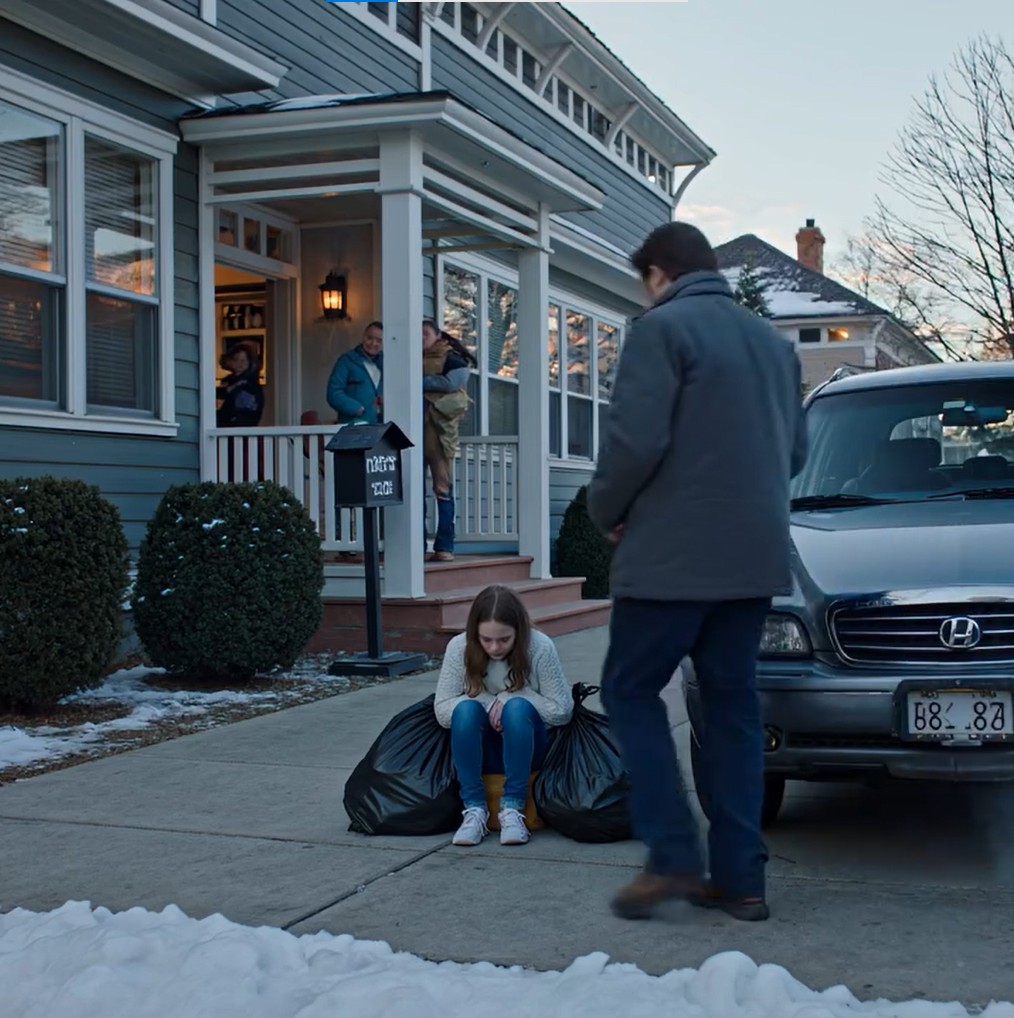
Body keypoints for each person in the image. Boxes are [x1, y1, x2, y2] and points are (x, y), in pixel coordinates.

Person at [587, 222, 807, 923]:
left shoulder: (661, 329)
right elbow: (794, 452)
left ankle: (674, 857)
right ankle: (742, 880)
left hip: (671, 562)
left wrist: (606, 509)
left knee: (629, 690)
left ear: (658, 273)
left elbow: (634, 442)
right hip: (752, 561)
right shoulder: (774, 347)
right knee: (733, 708)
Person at [433, 584, 573, 847]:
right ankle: (474, 810)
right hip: (478, 748)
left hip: (529, 746)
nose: (495, 647)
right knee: (465, 709)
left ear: (519, 632)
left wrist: (511, 697)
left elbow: (562, 710)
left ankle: (512, 809)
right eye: (486, 640)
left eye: (504, 639)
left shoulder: (540, 646)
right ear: (475, 633)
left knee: (517, 709)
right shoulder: (458, 647)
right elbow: (442, 710)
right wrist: (489, 702)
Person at [422, 321, 476, 561]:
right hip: (414, 432)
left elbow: (452, 383)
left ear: (438, 335)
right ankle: (416, 545)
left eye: (425, 334)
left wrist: (420, 381)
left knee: (442, 488)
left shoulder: (451, 358)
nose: (421, 338)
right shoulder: (409, 356)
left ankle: (444, 546)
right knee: (413, 489)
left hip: (439, 434)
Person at [326, 321, 384, 425]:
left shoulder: (385, 364)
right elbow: (333, 393)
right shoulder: (347, 360)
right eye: (369, 338)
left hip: (378, 426)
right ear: (363, 337)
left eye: (379, 340)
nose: (373, 343)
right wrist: (356, 408)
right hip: (352, 425)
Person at [216, 342, 264, 428]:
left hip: (239, 433)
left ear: (250, 362)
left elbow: (245, 416)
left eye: (243, 360)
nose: (239, 363)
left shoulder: (250, 385)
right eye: (236, 359)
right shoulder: (228, 382)